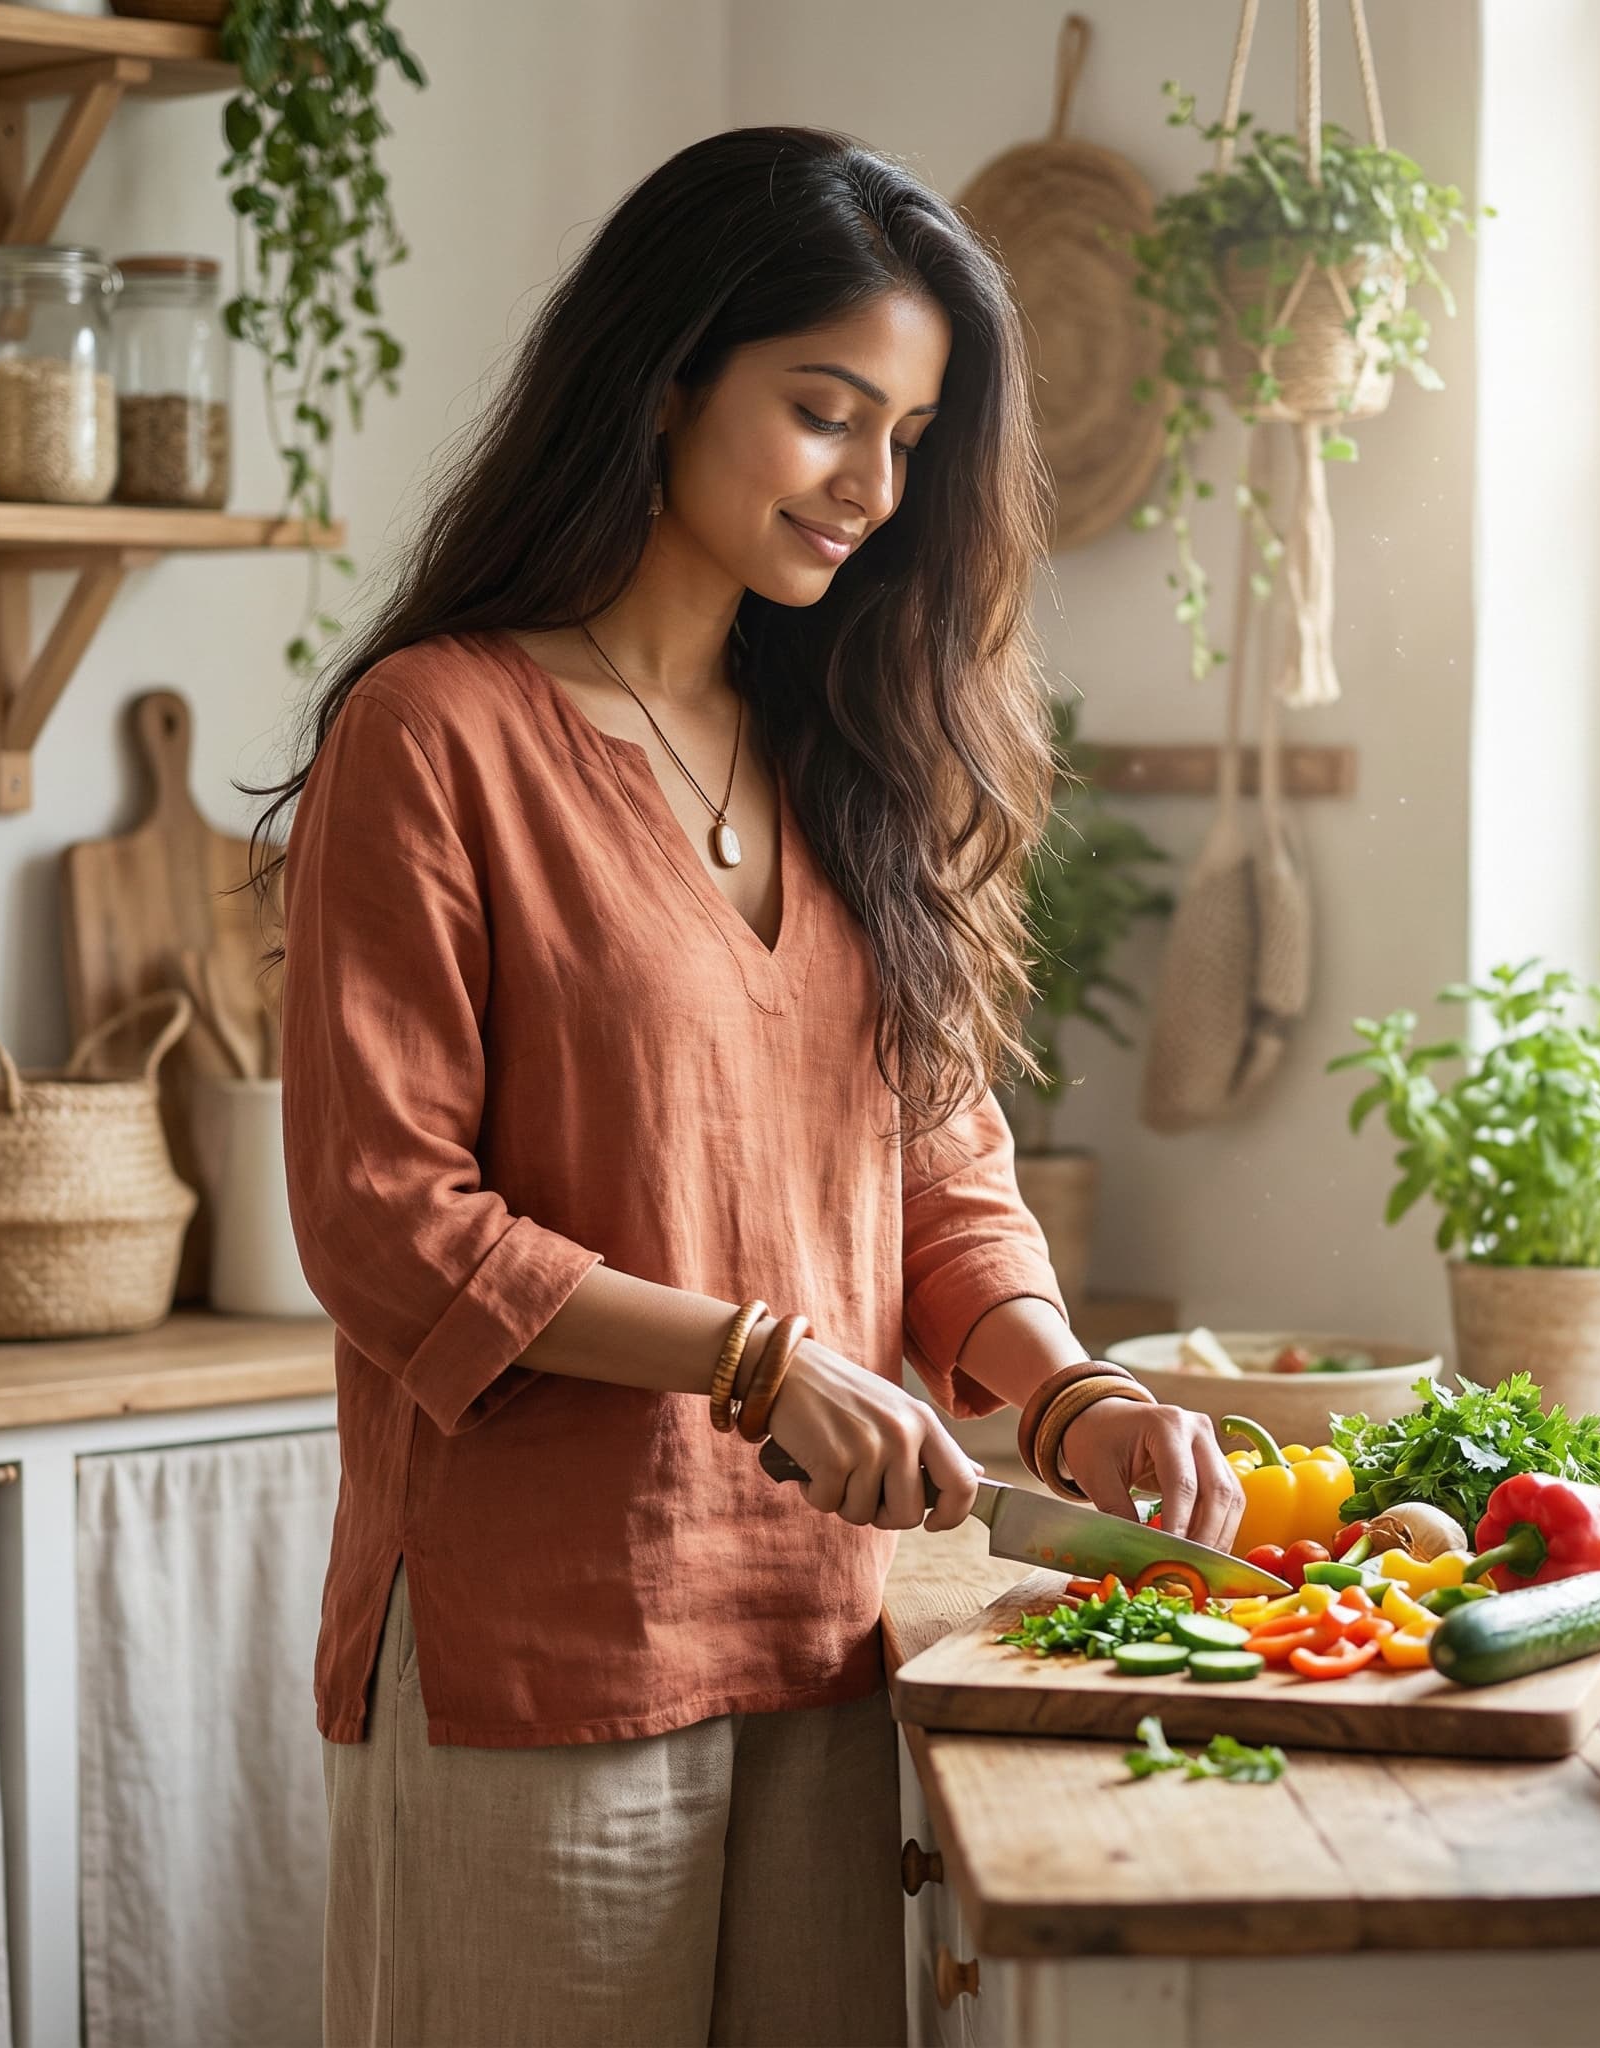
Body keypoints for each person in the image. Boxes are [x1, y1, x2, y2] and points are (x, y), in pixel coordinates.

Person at [254, 124, 1245, 2048]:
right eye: (824, 410)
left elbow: (940, 1169)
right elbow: (386, 1221)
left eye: (912, 437)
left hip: (832, 1629)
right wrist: (758, 1363)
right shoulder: (436, 732)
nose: (875, 485)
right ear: (665, 378)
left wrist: (1072, 1390)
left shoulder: (855, 750)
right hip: (534, 1647)